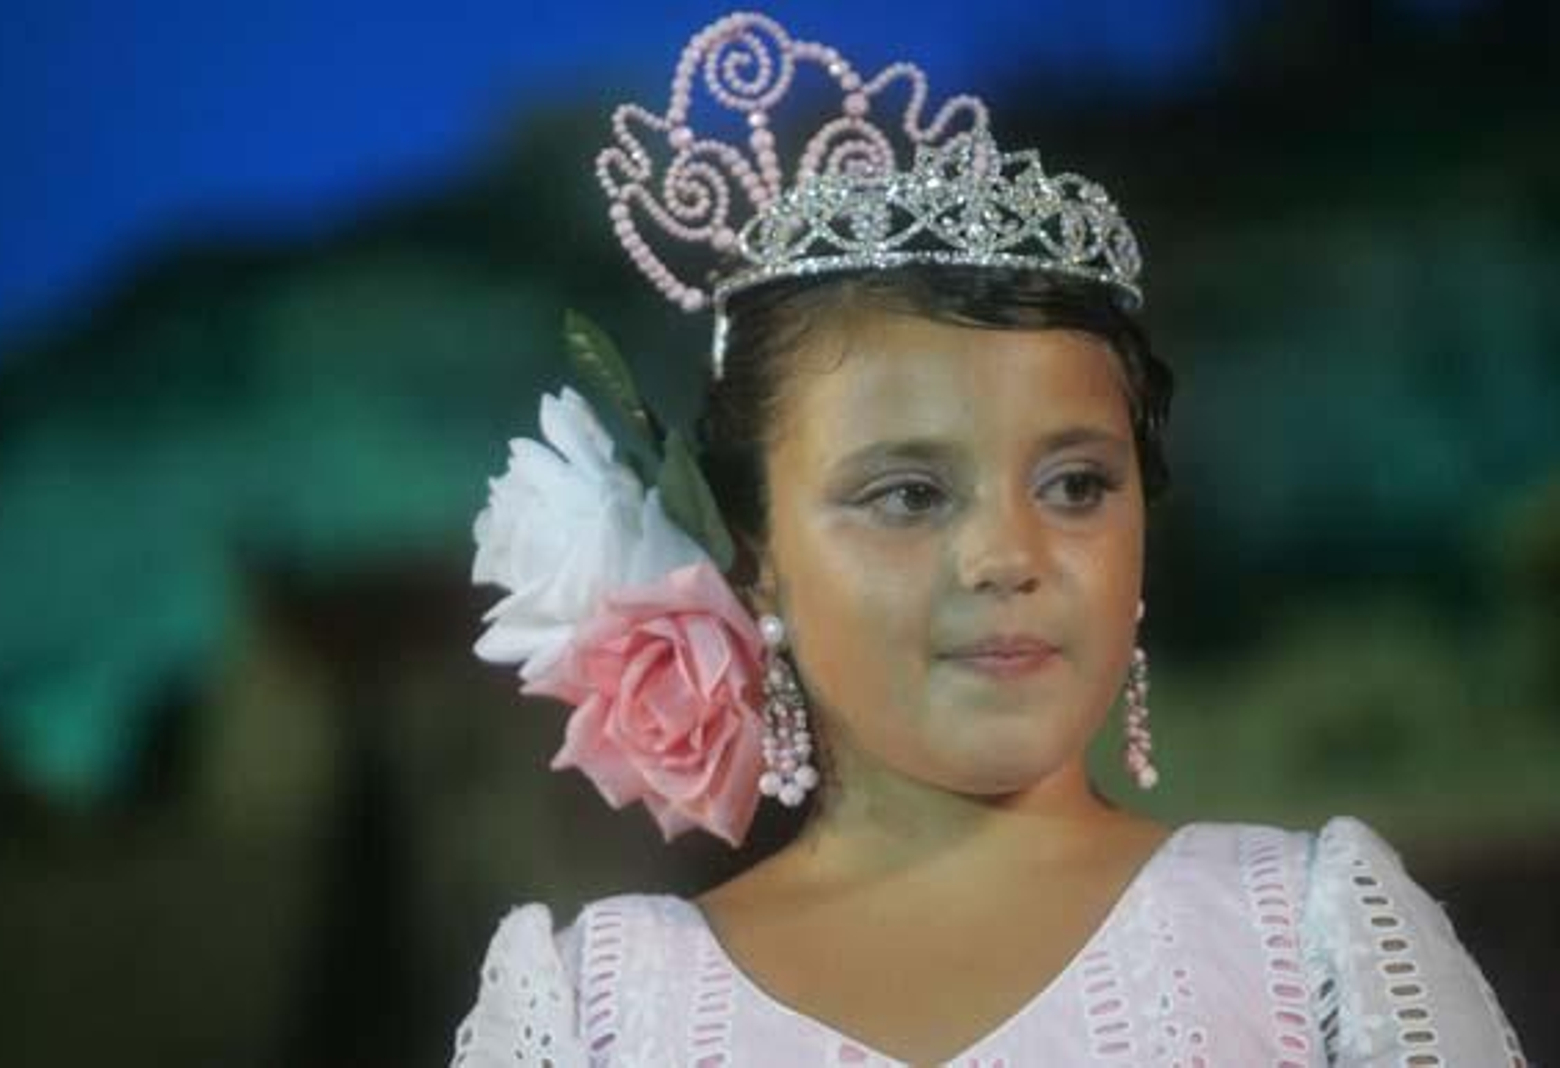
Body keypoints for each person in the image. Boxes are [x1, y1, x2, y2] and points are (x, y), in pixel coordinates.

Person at [449, 12, 1528, 1066]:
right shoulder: (596, 1009)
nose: (1008, 554)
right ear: (754, 550)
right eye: (910, 496)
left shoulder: (1309, 940)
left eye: (1074, 484)